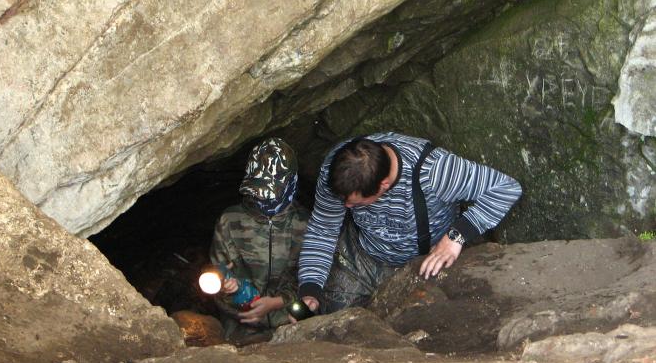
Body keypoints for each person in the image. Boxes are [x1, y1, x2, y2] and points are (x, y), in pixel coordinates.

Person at [297, 132, 522, 313]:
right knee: (330, 316)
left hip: (424, 260)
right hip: (363, 254)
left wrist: (455, 237)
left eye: (356, 203)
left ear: (383, 186)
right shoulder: (337, 168)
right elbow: (323, 228)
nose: (346, 206)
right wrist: (309, 287)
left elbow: (506, 188)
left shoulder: (435, 171)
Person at [209, 137, 309, 343]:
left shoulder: (306, 224)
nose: (263, 199)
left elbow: (312, 279)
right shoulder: (230, 221)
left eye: (271, 193)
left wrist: (278, 302)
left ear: (291, 184)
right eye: (259, 192)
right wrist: (230, 290)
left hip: (290, 324)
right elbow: (217, 274)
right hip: (240, 326)